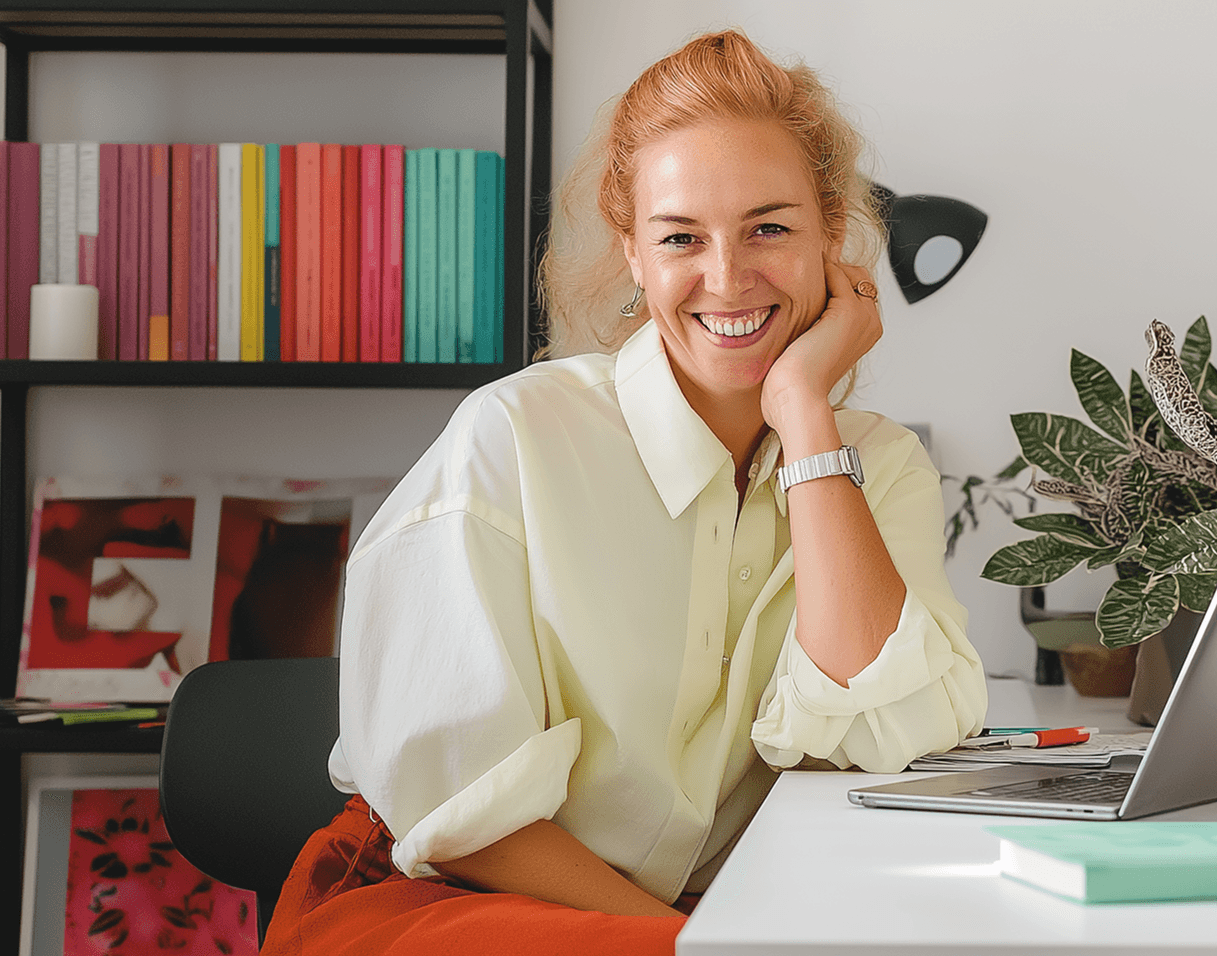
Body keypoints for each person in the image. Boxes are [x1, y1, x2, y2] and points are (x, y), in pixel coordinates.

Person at [261, 30, 987, 956]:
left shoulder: (875, 466)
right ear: (633, 253)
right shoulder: (513, 436)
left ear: (831, 234)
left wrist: (806, 414)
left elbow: (891, 730)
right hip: (445, 893)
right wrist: (698, 940)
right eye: (681, 237)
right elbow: (464, 820)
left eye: (769, 228)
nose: (727, 277)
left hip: (691, 919)